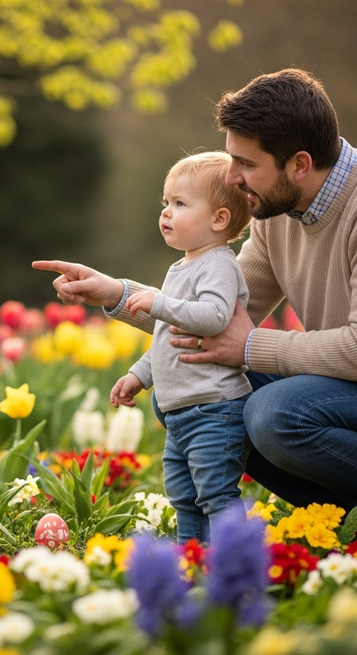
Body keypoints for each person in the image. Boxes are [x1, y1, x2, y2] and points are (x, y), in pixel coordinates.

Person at [34, 68, 357, 511]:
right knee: (188, 392)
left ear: (299, 164)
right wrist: (116, 294)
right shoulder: (276, 213)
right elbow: (214, 313)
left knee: (276, 414)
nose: (231, 177)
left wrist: (249, 347)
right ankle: (356, 524)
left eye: (245, 163)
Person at [110, 151, 253, 543]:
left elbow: (215, 318)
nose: (166, 213)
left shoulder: (219, 264)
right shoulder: (182, 267)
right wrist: (139, 375)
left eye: (180, 204)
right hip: (182, 412)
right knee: (184, 497)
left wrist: (159, 302)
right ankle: (192, 557)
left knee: (216, 494)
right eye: (165, 202)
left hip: (215, 408)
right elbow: (169, 338)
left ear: (218, 219)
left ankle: (235, 558)